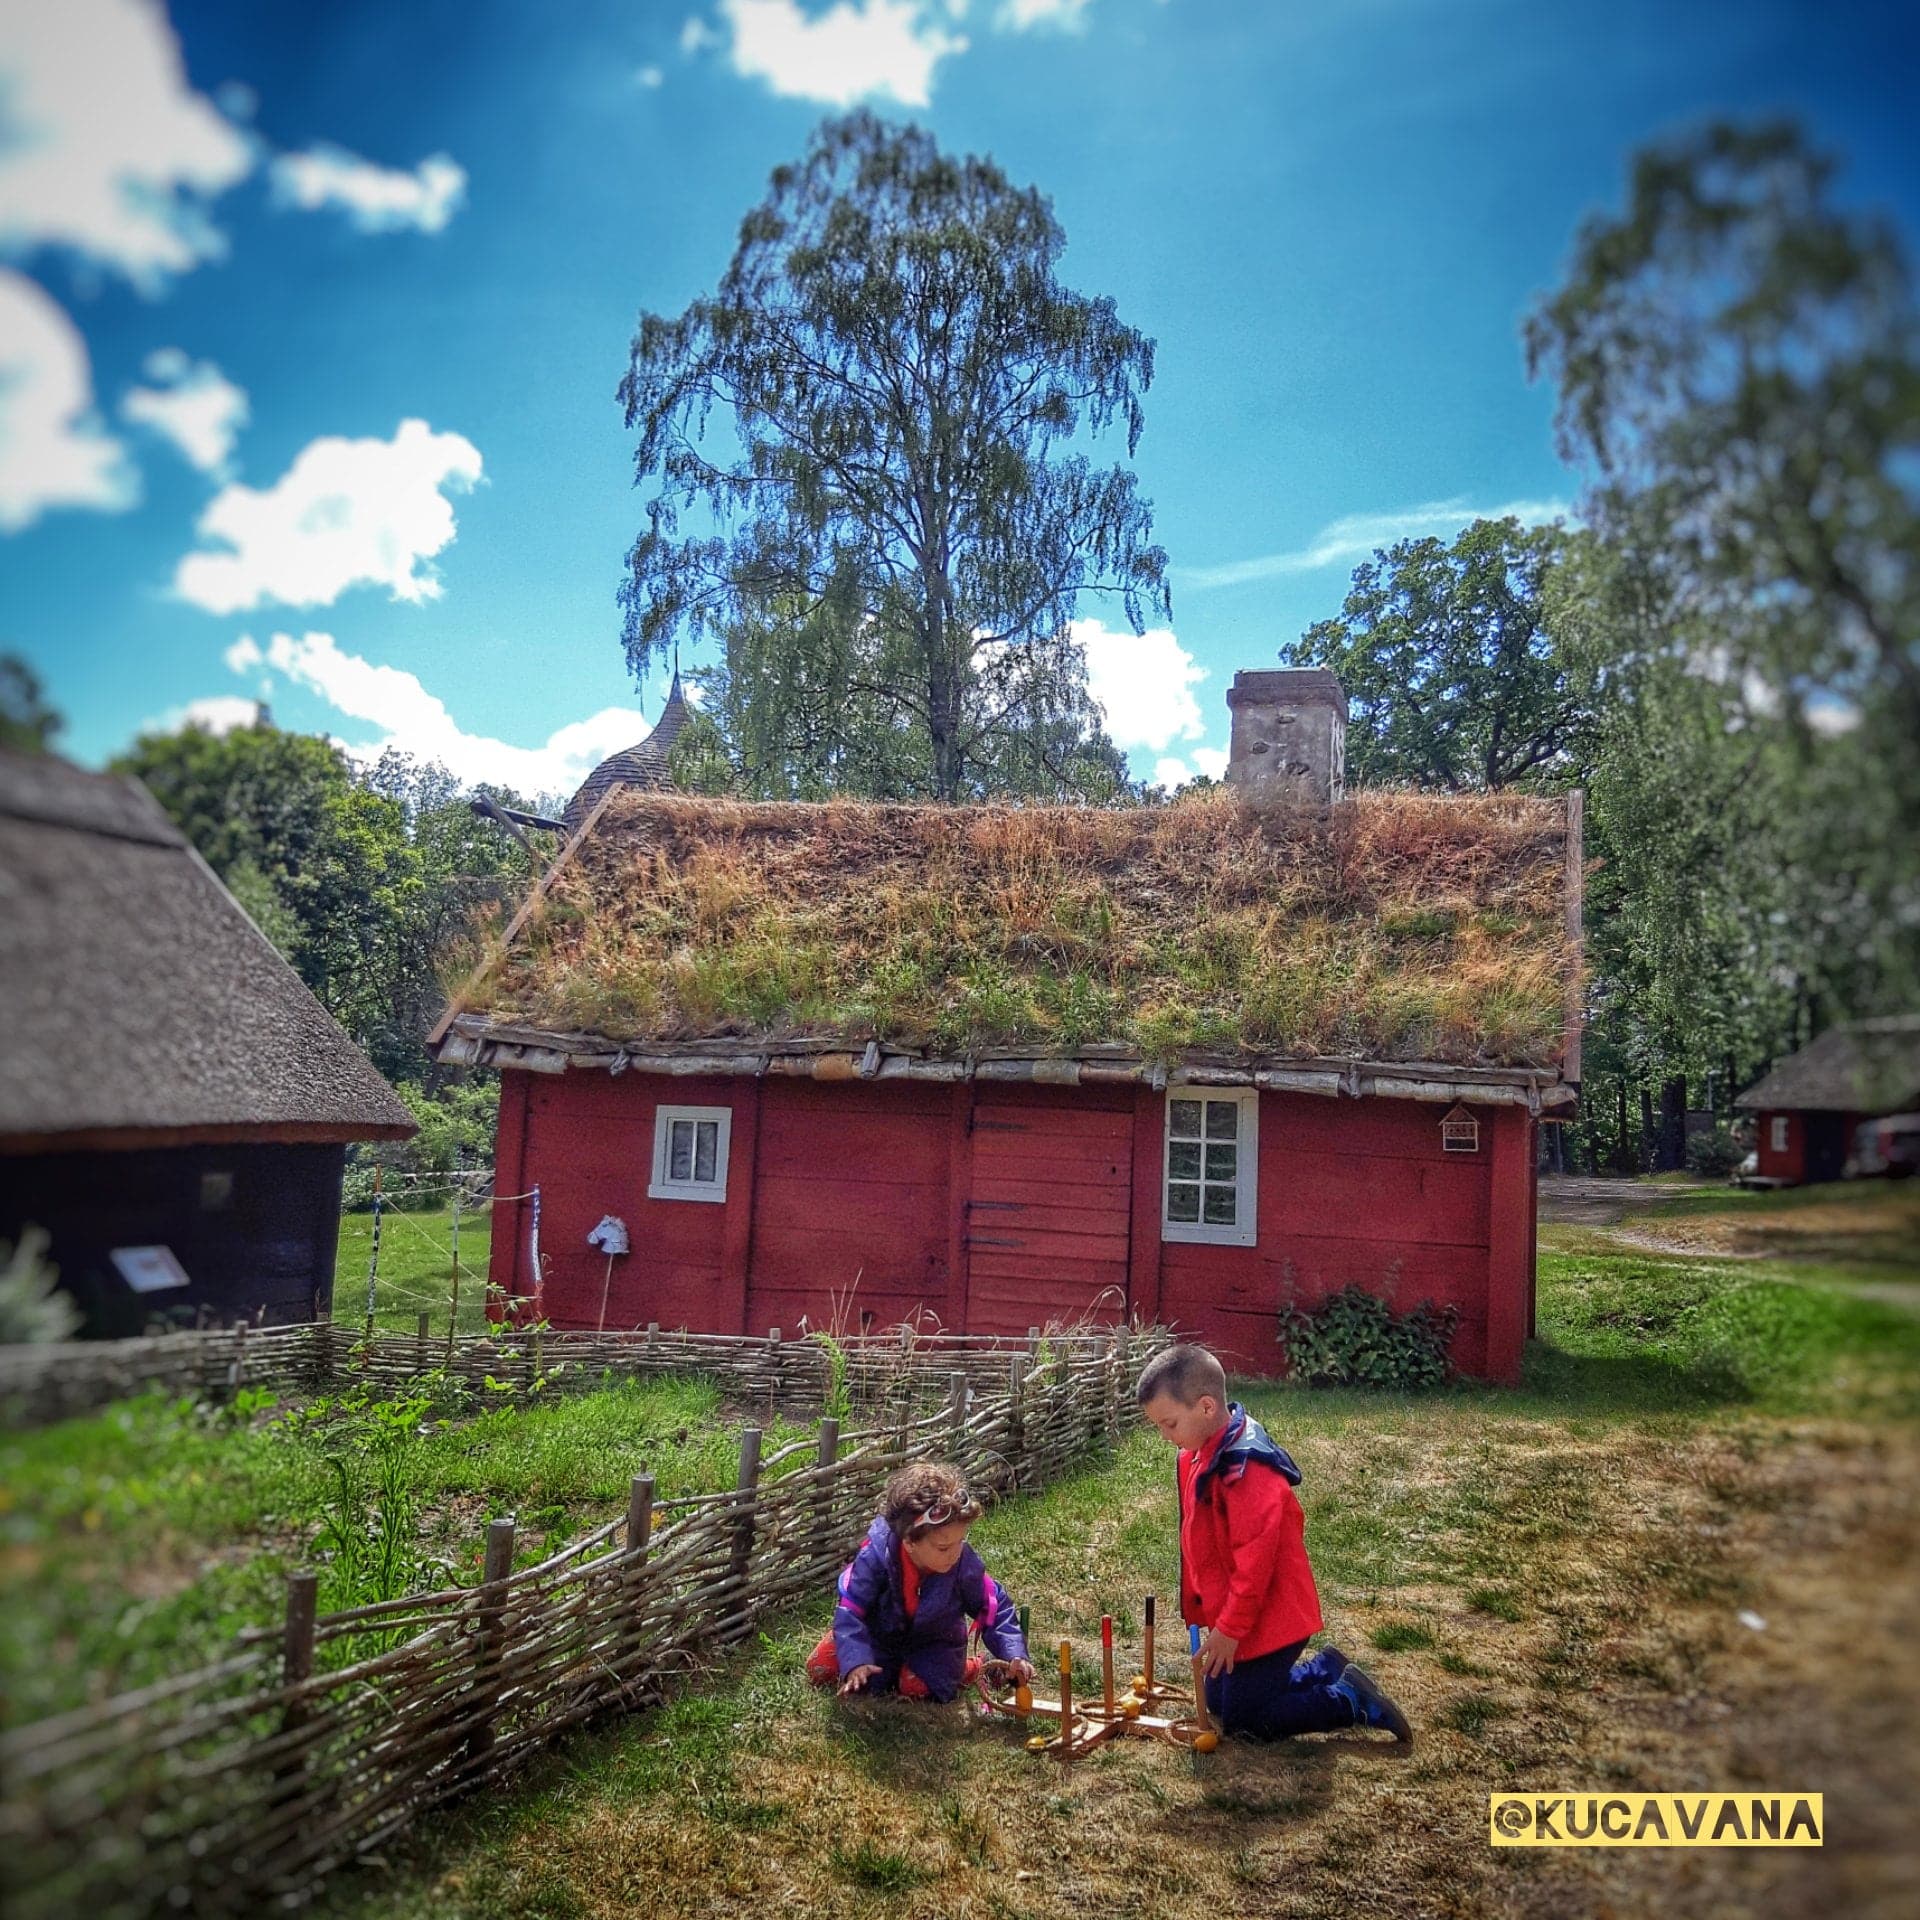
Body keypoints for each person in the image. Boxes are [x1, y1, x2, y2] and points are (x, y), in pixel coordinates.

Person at [1137, 1342, 1412, 1744]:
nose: (1164, 1436)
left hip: (1273, 1614)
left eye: (1170, 1424)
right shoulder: (1194, 1456)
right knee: (1217, 1700)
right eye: (1158, 1426)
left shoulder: (1246, 1472)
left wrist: (1229, 1631)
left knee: (1245, 1722)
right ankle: (1325, 1667)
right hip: (1241, 1612)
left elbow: (1255, 1565)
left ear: (1207, 1407)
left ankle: (1348, 1700)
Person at [807, 1461, 1034, 1702]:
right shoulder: (874, 1558)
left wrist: (1013, 1653)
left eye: (960, 1541)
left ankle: (977, 1667)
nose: (955, 1553)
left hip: (935, 1646)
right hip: (880, 1640)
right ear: (909, 1542)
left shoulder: (962, 1564)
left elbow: (993, 1606)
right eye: (943, 1547)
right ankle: (864, 1661)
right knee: (821, 1667)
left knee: (916, 1686)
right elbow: (850, 1610)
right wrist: (856, 1660)